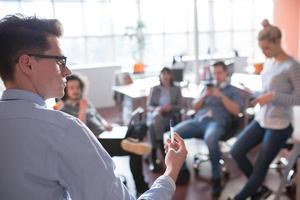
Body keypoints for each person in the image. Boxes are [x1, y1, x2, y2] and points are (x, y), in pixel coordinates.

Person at [0, 14, 188, 200]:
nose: (67, 71)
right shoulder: (63, 128)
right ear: (27, 64)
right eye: (59, 61)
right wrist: (170, 172)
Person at [230, 19, 300, 200]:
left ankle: (241, 197)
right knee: (236, 150)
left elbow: (299, 98)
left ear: (277, 42)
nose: (263, 52)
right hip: (262, 119)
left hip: (280, 124)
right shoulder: (269, 63)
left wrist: (273, 96)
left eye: (266, 48)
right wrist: (254, 93)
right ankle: (259, 189)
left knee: (260, 167)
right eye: (261, 49)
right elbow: (268, 91)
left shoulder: (292, 66)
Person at [60, 74, 150, 196]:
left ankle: (132, 139)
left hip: (107, 134)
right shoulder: (64, 111)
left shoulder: (85, 102)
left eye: (78, 87)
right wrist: (82, 110)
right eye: (71, 88)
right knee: (134, 150)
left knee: (141, 125)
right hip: (97, 143)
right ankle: (141, 186)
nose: (76, 90)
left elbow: (98, 117)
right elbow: (81, 131)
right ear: (65, 90)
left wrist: (107, 124)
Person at [170, 61, 243, 196]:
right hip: (199, 121)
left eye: (219, 73)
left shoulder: (232, 90)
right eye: (214, 73)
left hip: (217, 123)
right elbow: (194, 107)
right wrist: (204, 95)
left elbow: (236, 110)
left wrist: (220, 95)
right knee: (174, 133)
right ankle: (183, 170)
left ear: (226, 73)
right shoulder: (207, 88)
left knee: (210, 138)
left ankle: (216, 178)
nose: (216, 76)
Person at [147, 67, 183, 172]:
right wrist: (157, 108)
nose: (166, 76)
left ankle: (154, 156)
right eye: (164, 74)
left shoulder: (176, 89)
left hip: (170, 117)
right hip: (156, 115)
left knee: (153, 125)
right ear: (160, 76)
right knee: (156, 118)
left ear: (171, 76)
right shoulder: (154, 89)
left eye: (168, 74)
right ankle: (161, 147)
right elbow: (149, 106)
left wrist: (171, 107)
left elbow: (181, 106)